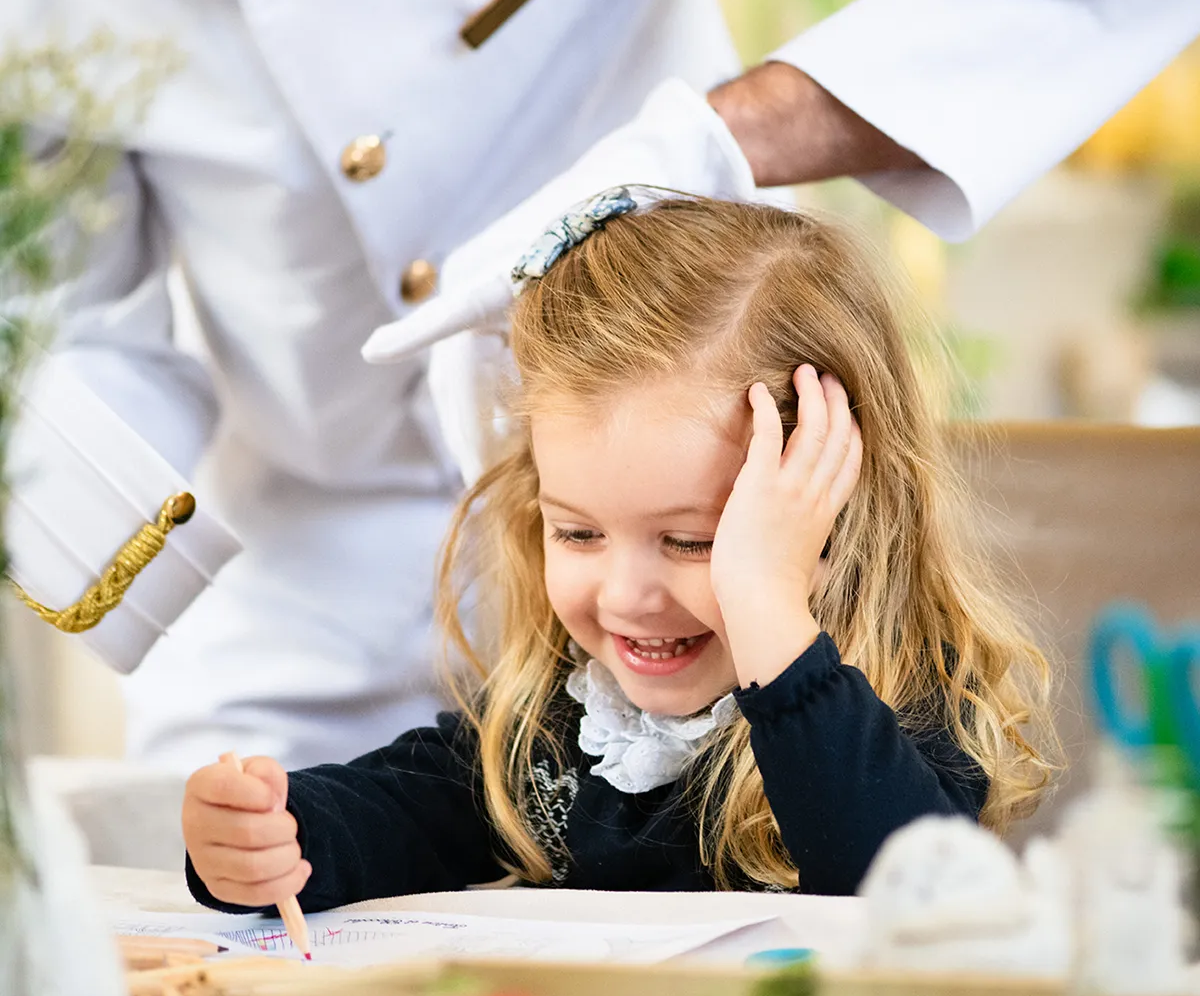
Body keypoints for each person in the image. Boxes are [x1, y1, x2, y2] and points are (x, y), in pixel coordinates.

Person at [4, 0, 1199, 773]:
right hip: (303, 642)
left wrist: (715, 146)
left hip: (714, 598)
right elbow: (85, 324)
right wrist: (51, 472)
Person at [182, 194, 1053, 907]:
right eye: (578, 533)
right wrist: (277, 835)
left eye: (692, 541)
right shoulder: (566, 725)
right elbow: (407, 810)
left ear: (833, 513)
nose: (627, 594)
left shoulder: (906, 708)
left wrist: (766, 613)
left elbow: (898, 897)